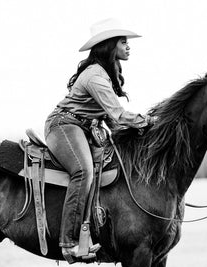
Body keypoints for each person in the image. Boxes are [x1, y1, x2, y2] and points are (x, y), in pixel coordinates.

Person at [44, 18, 151, 262]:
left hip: (82, 129)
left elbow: (113, 121)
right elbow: (119, 115)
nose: (128, 46)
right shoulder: (95, 76)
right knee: (84, 171)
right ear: (110, 45)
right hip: (64, 125)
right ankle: (69, 242)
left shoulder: (106, 73)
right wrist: (149, 121)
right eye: (123, 42)